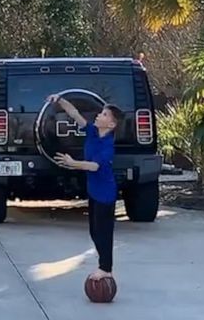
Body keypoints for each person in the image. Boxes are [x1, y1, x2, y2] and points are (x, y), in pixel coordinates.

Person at [46, 94, 123, 280]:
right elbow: (74, 113)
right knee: (94, 231)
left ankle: (106, 268)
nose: (99, 115)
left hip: (105, 194)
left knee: (104, 233)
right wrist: (60, 99)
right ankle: (103, 263)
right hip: (94, 191)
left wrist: (73, 163)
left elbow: (94, 166)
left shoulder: (107, 146)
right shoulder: (92, 132)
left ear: (111, 125)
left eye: (104, 115)